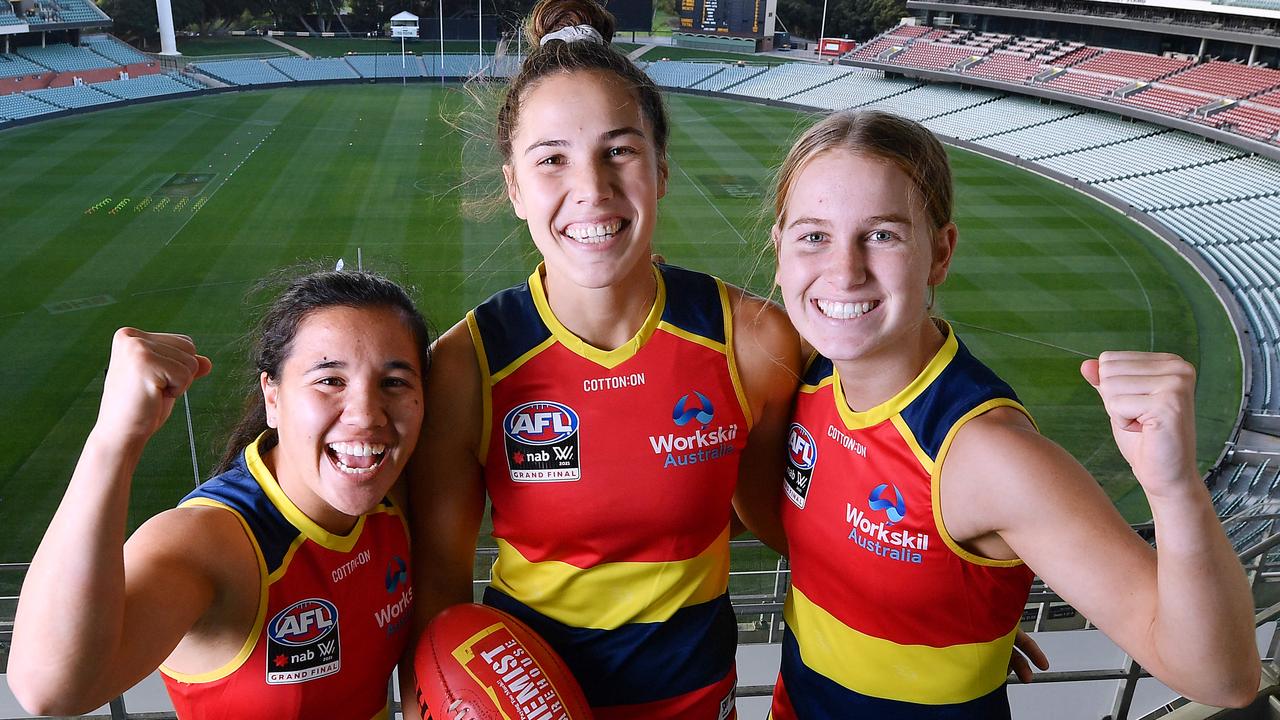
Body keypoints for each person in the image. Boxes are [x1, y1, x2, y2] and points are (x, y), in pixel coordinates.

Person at [766, 109, 1260, 718]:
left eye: (884, 234)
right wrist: (950, 608)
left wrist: (1175, 488)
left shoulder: (988, 457)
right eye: (813, 235)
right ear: (780, 251)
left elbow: (1223, 679)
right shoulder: (808, 371)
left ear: (940, 255)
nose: (844, 271)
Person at [406, 1, 801, 718]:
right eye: (552, 158)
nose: (592, 188)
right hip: (525, 700)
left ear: (660, 171)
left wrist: (934, 606)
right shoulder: (467, 367)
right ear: (515, 187)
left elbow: (786, 519)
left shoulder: (754, 341)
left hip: (695, 697)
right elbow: (439, 595)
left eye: (619, 150)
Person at [9, 270, 431, 720]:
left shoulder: (395, 495)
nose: (366, 415)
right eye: (329, 380)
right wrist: (114, 439)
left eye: (394, 382)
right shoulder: (211, 541)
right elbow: (50, 690)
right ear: (273, 396)